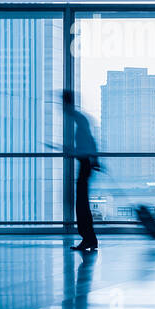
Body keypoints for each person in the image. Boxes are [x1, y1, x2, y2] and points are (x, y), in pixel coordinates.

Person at [61, 90, 99, 253]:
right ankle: (89, 238)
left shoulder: (78, 119)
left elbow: (88, 141)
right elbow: (89, 141)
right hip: (85, 163)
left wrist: (74, 152)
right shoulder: (79, 118)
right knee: (82, 204)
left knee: (81, 204)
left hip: (84, 164)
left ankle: (88, 238)